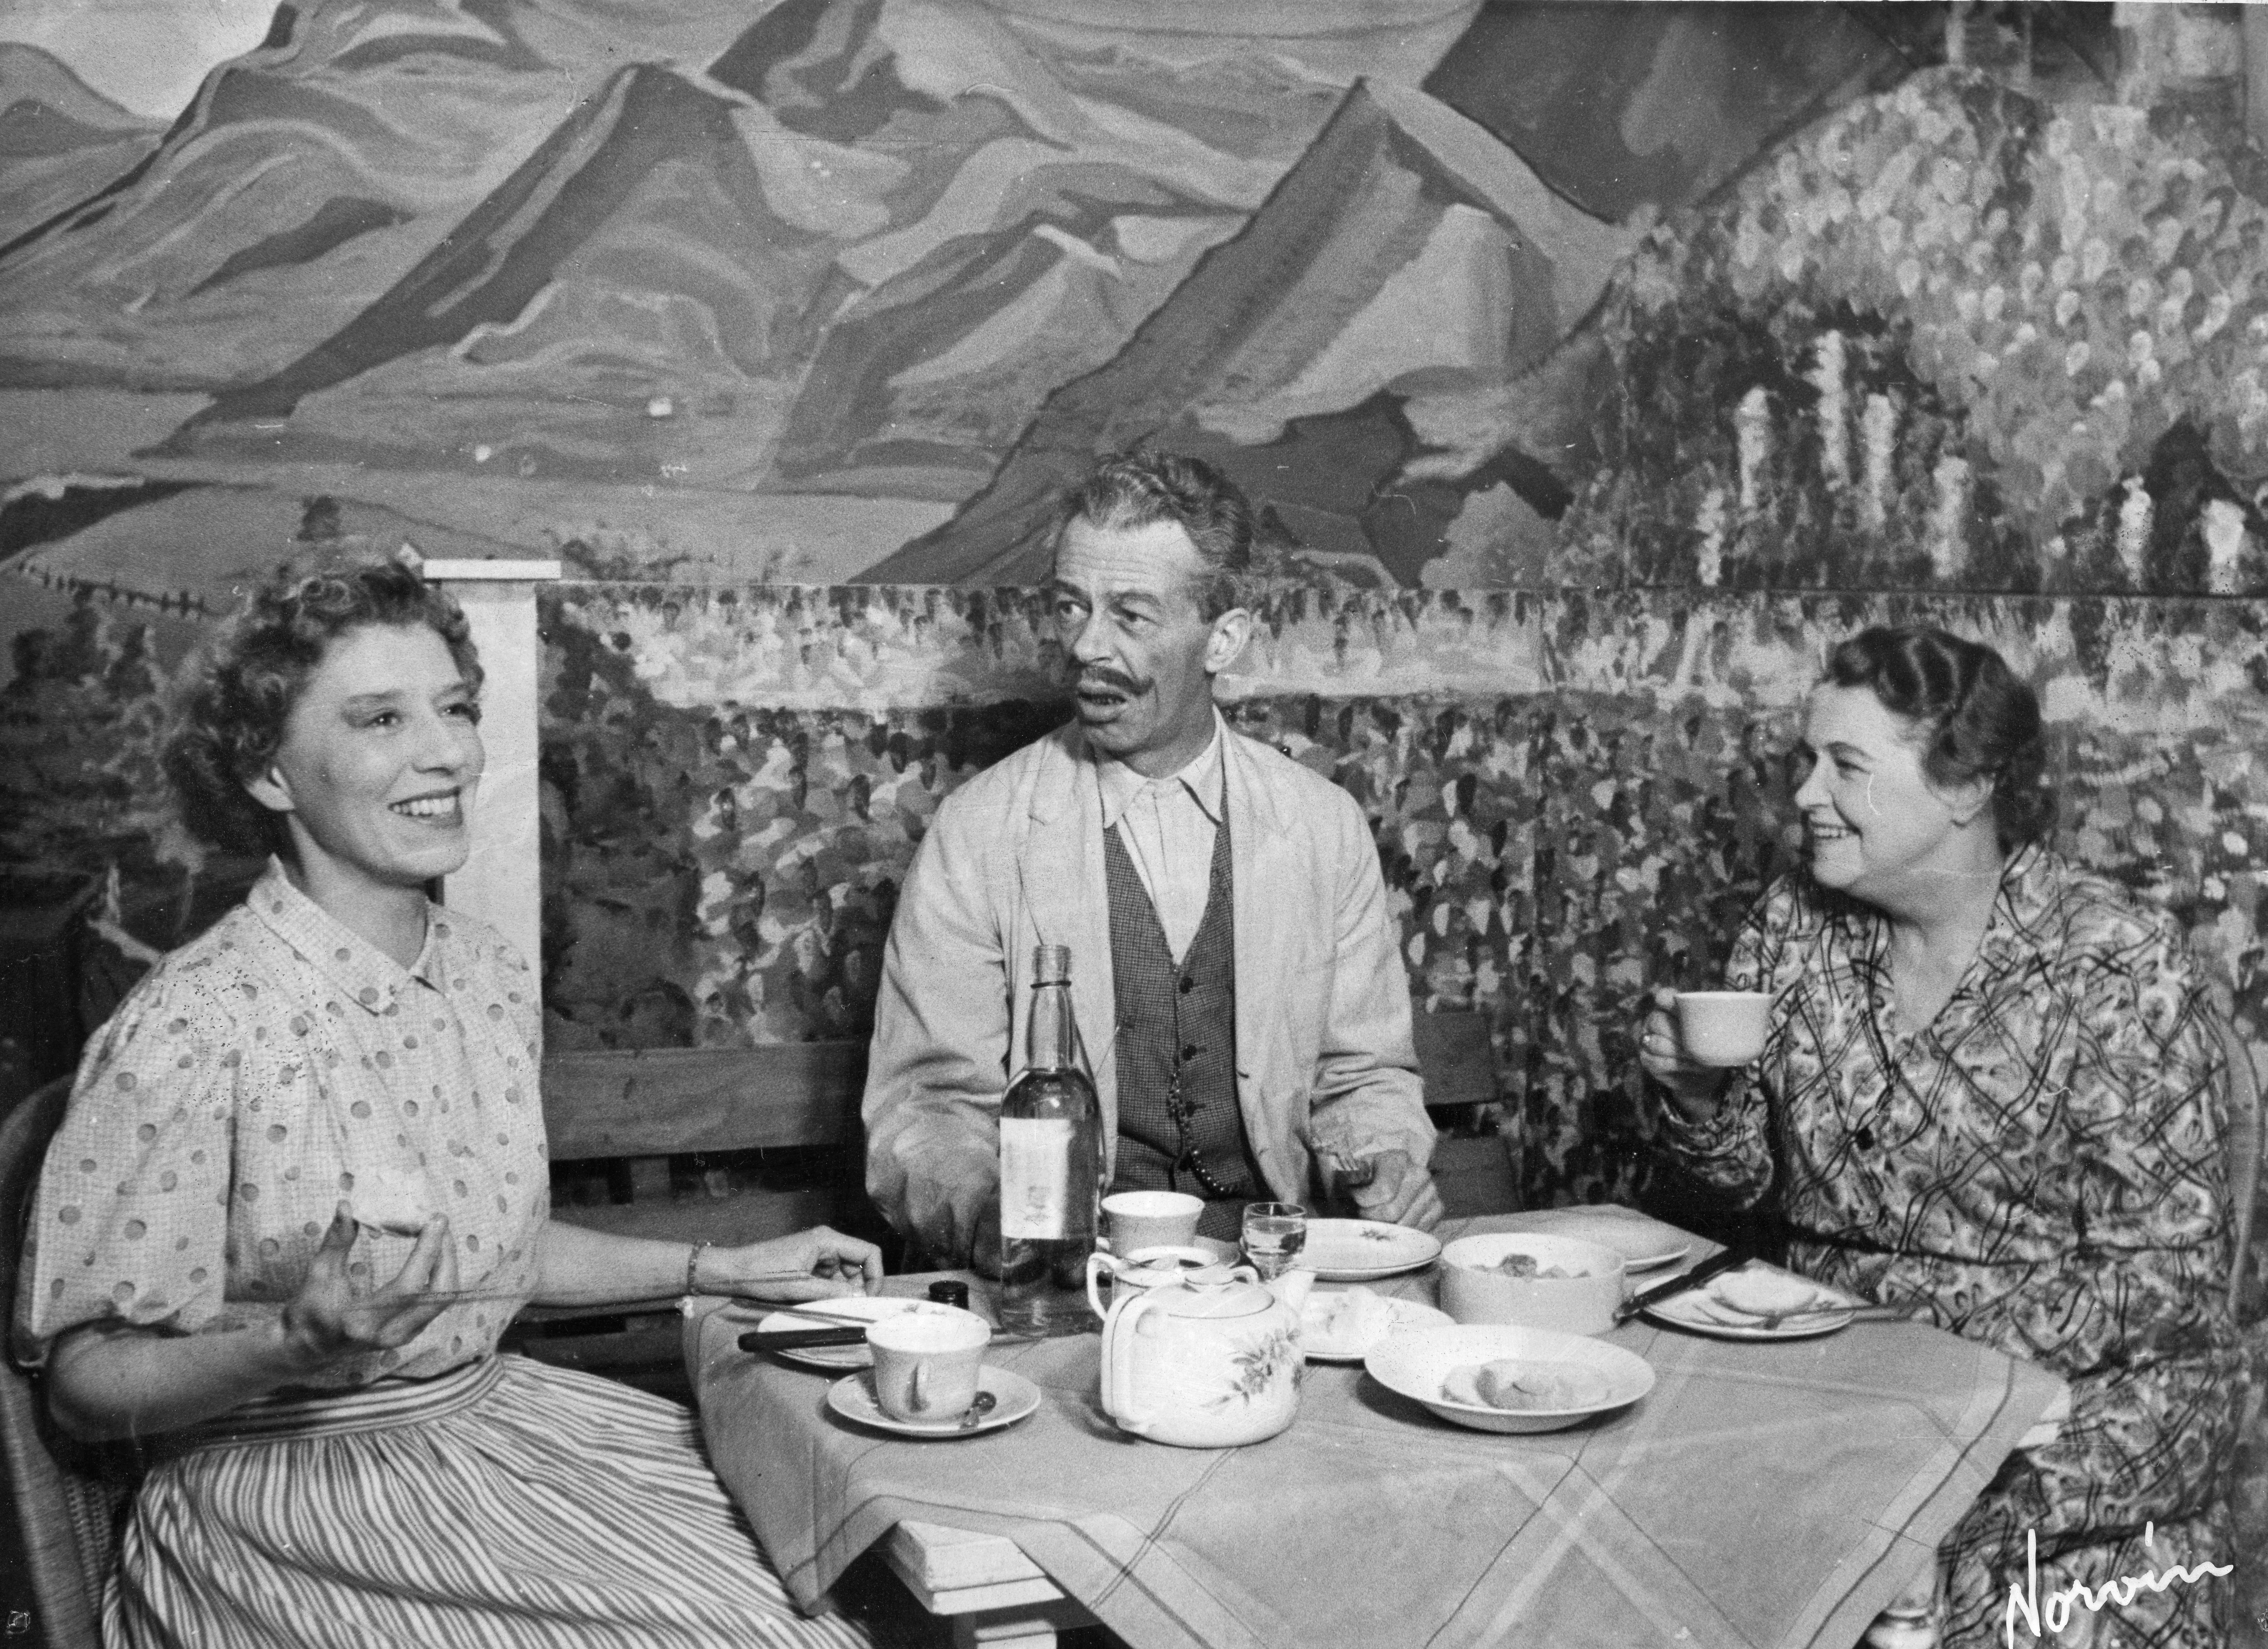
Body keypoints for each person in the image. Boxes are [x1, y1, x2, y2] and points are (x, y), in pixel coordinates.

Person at [11, 557, 914, 1649]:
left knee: (851, 1585)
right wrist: (291, 1343)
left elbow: (495, 1250)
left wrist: (722, 1268)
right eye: (380, 718)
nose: (446, 752)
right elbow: (84, 1380)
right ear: (268, 772)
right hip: (291, 1514)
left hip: (496, 1432)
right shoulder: (192, 1025)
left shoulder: (482, 973)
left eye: (455, 709)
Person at [1637, 626, 2243, 1649]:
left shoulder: (2110, 959)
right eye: (1806, 760)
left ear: (1965, 787)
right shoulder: (1793, 928)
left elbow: (2167, 1277)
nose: (1804, 794)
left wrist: (1916, 1344)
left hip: (2082, 1393)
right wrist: (1699, 1100)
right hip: (1847, 1373)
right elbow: (1744, 1183)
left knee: (1877, 1515)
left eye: (1846, 764)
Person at [863, 451, 1441, 1262]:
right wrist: (992, 1212)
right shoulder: (978, 832)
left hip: (1274, 1274)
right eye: (1072, 607)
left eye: (1130, 615)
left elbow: (1362, 1076)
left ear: (1223, 638)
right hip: (1075, 1280)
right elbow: (928, 1106)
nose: (1087, 646)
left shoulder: (1322, 827)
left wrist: (1380, 1164)